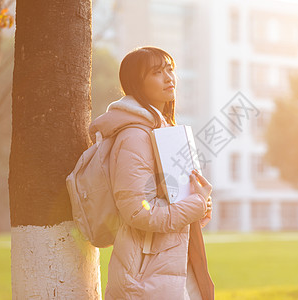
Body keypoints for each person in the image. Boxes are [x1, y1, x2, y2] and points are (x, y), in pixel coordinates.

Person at [89, 46, 214, 299]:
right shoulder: (134, 136)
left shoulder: (166, 131)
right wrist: (196, 203)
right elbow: (138, 211)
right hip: (146, 276)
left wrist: (201, 204)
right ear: (137, 83)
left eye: (170, 70)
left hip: (175, 267)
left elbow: (173, 200)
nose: (169, 78)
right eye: (157, 72)